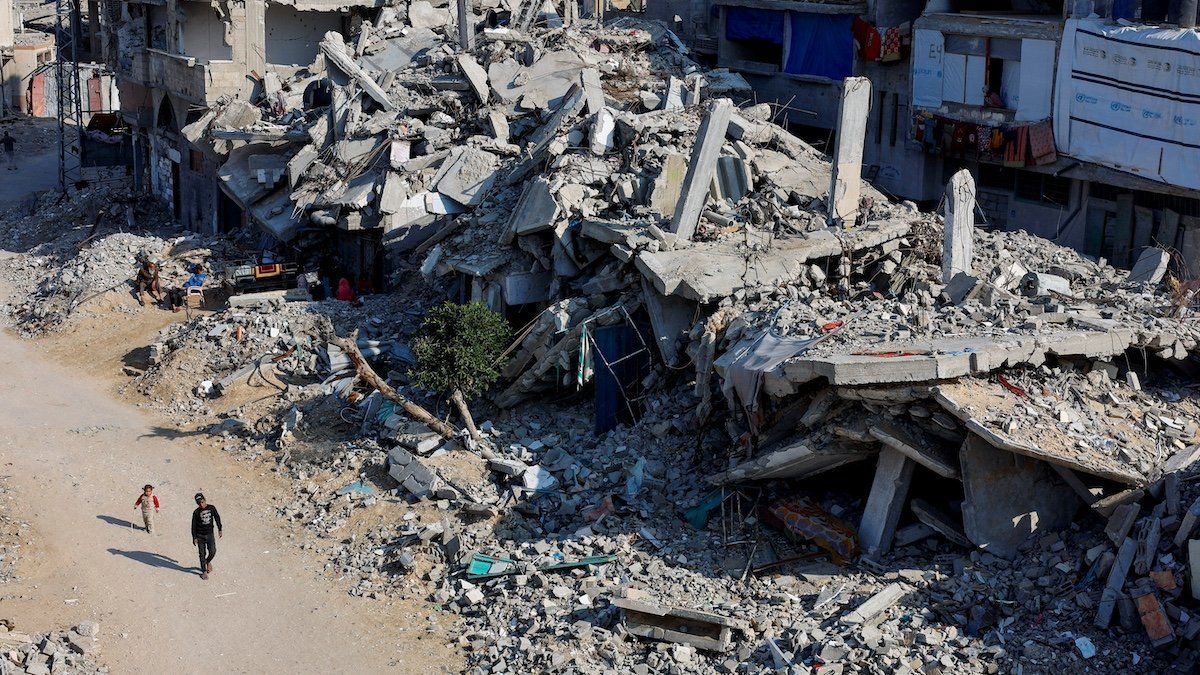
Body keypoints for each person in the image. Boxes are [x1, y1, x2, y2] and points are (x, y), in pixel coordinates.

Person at [191, 493, 222, 580]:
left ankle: (207, 561)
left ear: (205, 499)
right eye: (199, 503)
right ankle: (203, 571)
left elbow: (217, 518)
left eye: (202, 502)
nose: (201, 504)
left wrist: (220, 529)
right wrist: (194, 537)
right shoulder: (196, 512)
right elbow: (193, 526)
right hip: (200, 536)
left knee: (213, 551)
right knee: (202, 554)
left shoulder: (211, 508)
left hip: (210, 535)